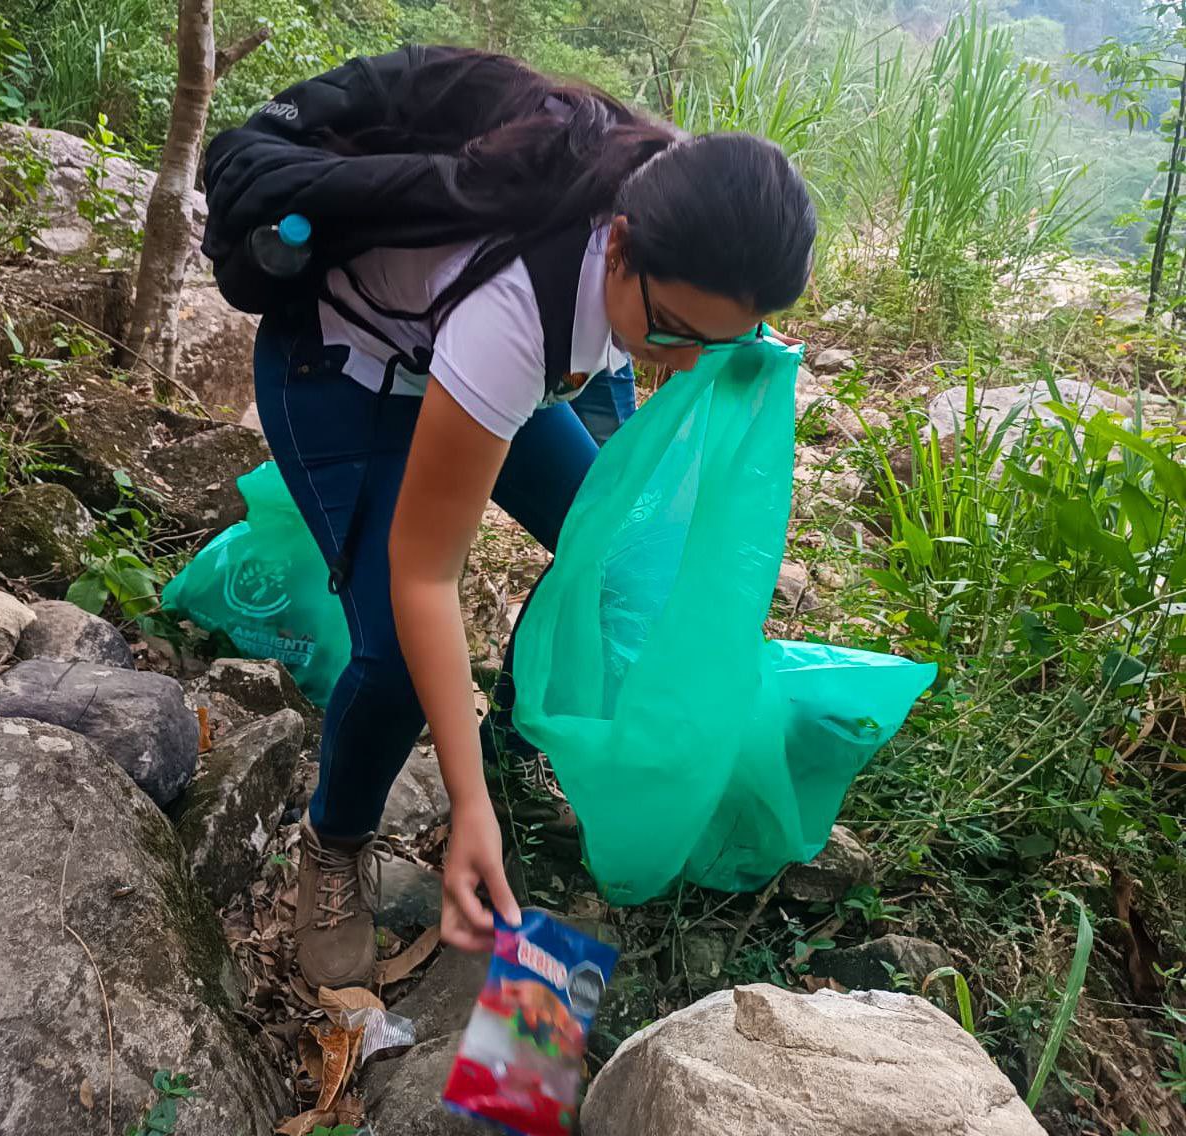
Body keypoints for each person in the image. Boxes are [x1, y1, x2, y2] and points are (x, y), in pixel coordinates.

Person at [204, 45, 815, 989]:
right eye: (671, 337)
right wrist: (465, 802)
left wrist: (738, 354)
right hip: (344, 370)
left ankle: (515, 742)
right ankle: (336, 837)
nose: (682, 364)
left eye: (716, 343)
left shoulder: (674, 206)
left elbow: (635, 472)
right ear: (619, 245)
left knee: (609, 545)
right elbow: (426, 575)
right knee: (398, 651)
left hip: (483, 361)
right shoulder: (513, 314)